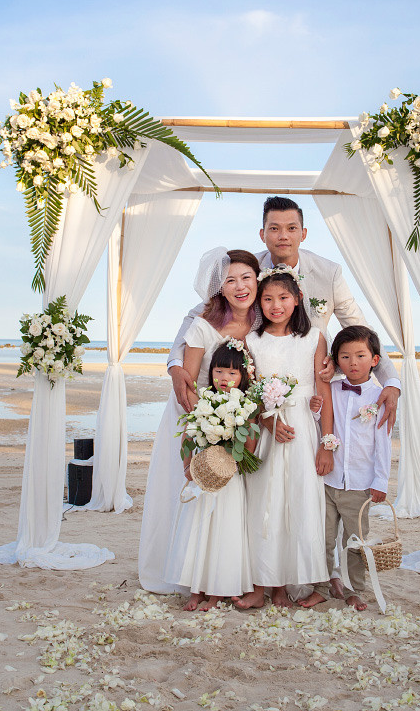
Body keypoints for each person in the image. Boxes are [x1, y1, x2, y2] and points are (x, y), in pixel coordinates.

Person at [167, 196, 401, 434]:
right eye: (274, 229)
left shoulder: (328, 273)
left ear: (303, 233)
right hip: (260, 395)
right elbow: (198, 316)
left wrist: (391, 381)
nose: (283, 236)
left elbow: (361, 330)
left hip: (310, 398)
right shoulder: (248, 269)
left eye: (291, 228)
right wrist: (176, 364)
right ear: (262, 234)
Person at [138, 248, 259, 595]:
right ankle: (191, 576)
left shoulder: (263, 319)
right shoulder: (204, 321)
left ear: (257, 279)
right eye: (230, 281)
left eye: (246, 278)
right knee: (196, 497)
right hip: (202, 419)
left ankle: (232, 575)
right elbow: (188, 382)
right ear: (219, 288)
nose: (239, 287)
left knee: (237, 504)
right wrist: (207, 428)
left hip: (242, 422)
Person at [235, 266, 334, 609]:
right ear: (258, 303)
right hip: (268, 429)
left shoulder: (314, 339)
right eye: (267, 299)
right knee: (264, 505)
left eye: (283, 298)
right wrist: (267, 421)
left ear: (298, 299)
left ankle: (284, 586)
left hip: (304, 427)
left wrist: (327, 444)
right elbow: (248, 395)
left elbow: (325, 391)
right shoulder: (252, 341)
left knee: (299, 503)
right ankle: (261, 585)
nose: (275, 305)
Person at [300, 325, 392, 612]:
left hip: (360, 484)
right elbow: (320, 422)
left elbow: (384, 444)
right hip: (328, 480)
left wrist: (381, 481)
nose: (353, 363)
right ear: (336, 360)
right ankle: (321, 586)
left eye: (361, 356)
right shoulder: (332, 389)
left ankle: (355, 590)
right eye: (345, 356)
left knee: (356, 541)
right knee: (323, 538)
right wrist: (315, 408)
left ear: (375, 360)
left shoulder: (379, 397)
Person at [164, 341, 257, 611]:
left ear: (243, 376)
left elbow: (250, 439)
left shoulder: (246, 405)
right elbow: (188, 433)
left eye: (232, 373)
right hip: (203, 475)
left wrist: (235, 463)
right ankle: (196, 590)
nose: (224, 379)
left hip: (229, 480)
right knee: (199, 530)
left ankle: (216, 592)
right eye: (218, 372)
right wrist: (187, 466)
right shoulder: (204, 400)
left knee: (223, 531)